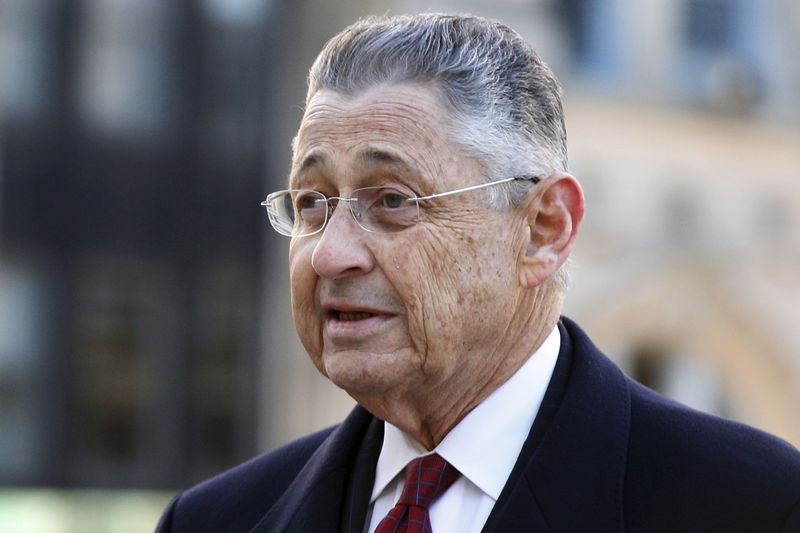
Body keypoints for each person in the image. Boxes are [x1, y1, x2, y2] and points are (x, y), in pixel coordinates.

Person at [156, 13, 800, 533]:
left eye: (392, 201)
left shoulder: (756, 504)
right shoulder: (216, 520)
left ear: (544, 229)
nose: (330, 254)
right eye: (311, 205)